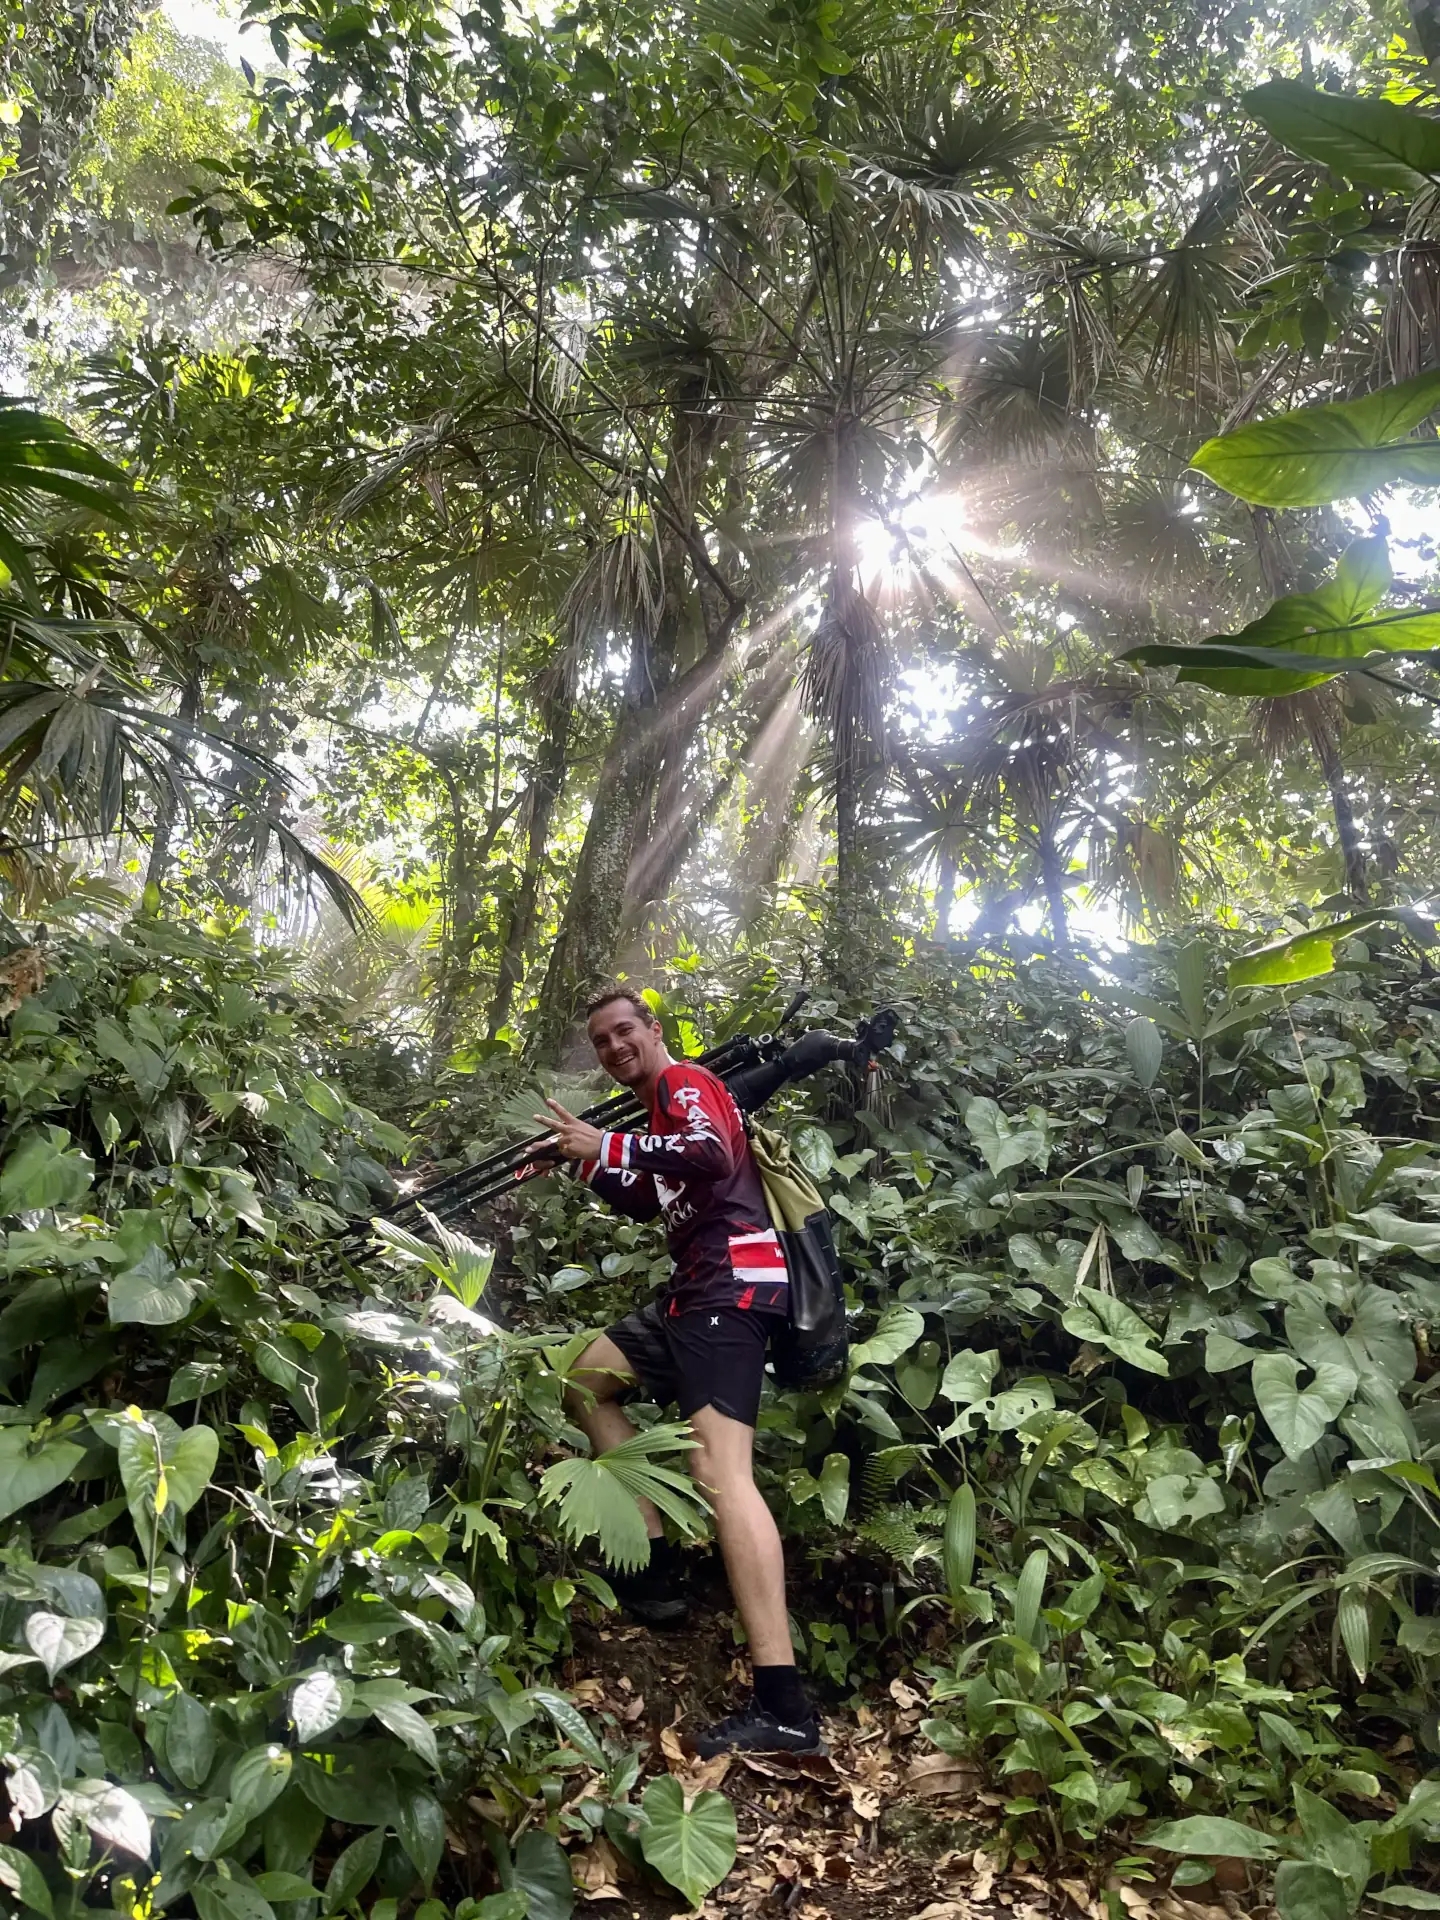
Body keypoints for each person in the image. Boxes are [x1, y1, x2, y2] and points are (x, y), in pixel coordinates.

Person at [535, 985, 822, 1757]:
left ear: (654, 1031)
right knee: (586, 1378)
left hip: (731, 1286)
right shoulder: (659, 1112)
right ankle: (656, 1562)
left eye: (624, 1030)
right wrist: (583, 1161)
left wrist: (609, 1144)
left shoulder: (685, 1085)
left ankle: (784, 1704)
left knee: (721, 1474)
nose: (614, 1046)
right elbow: (650, 1199)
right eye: (601, 1040)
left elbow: (712, 1154)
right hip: (693, 1294)